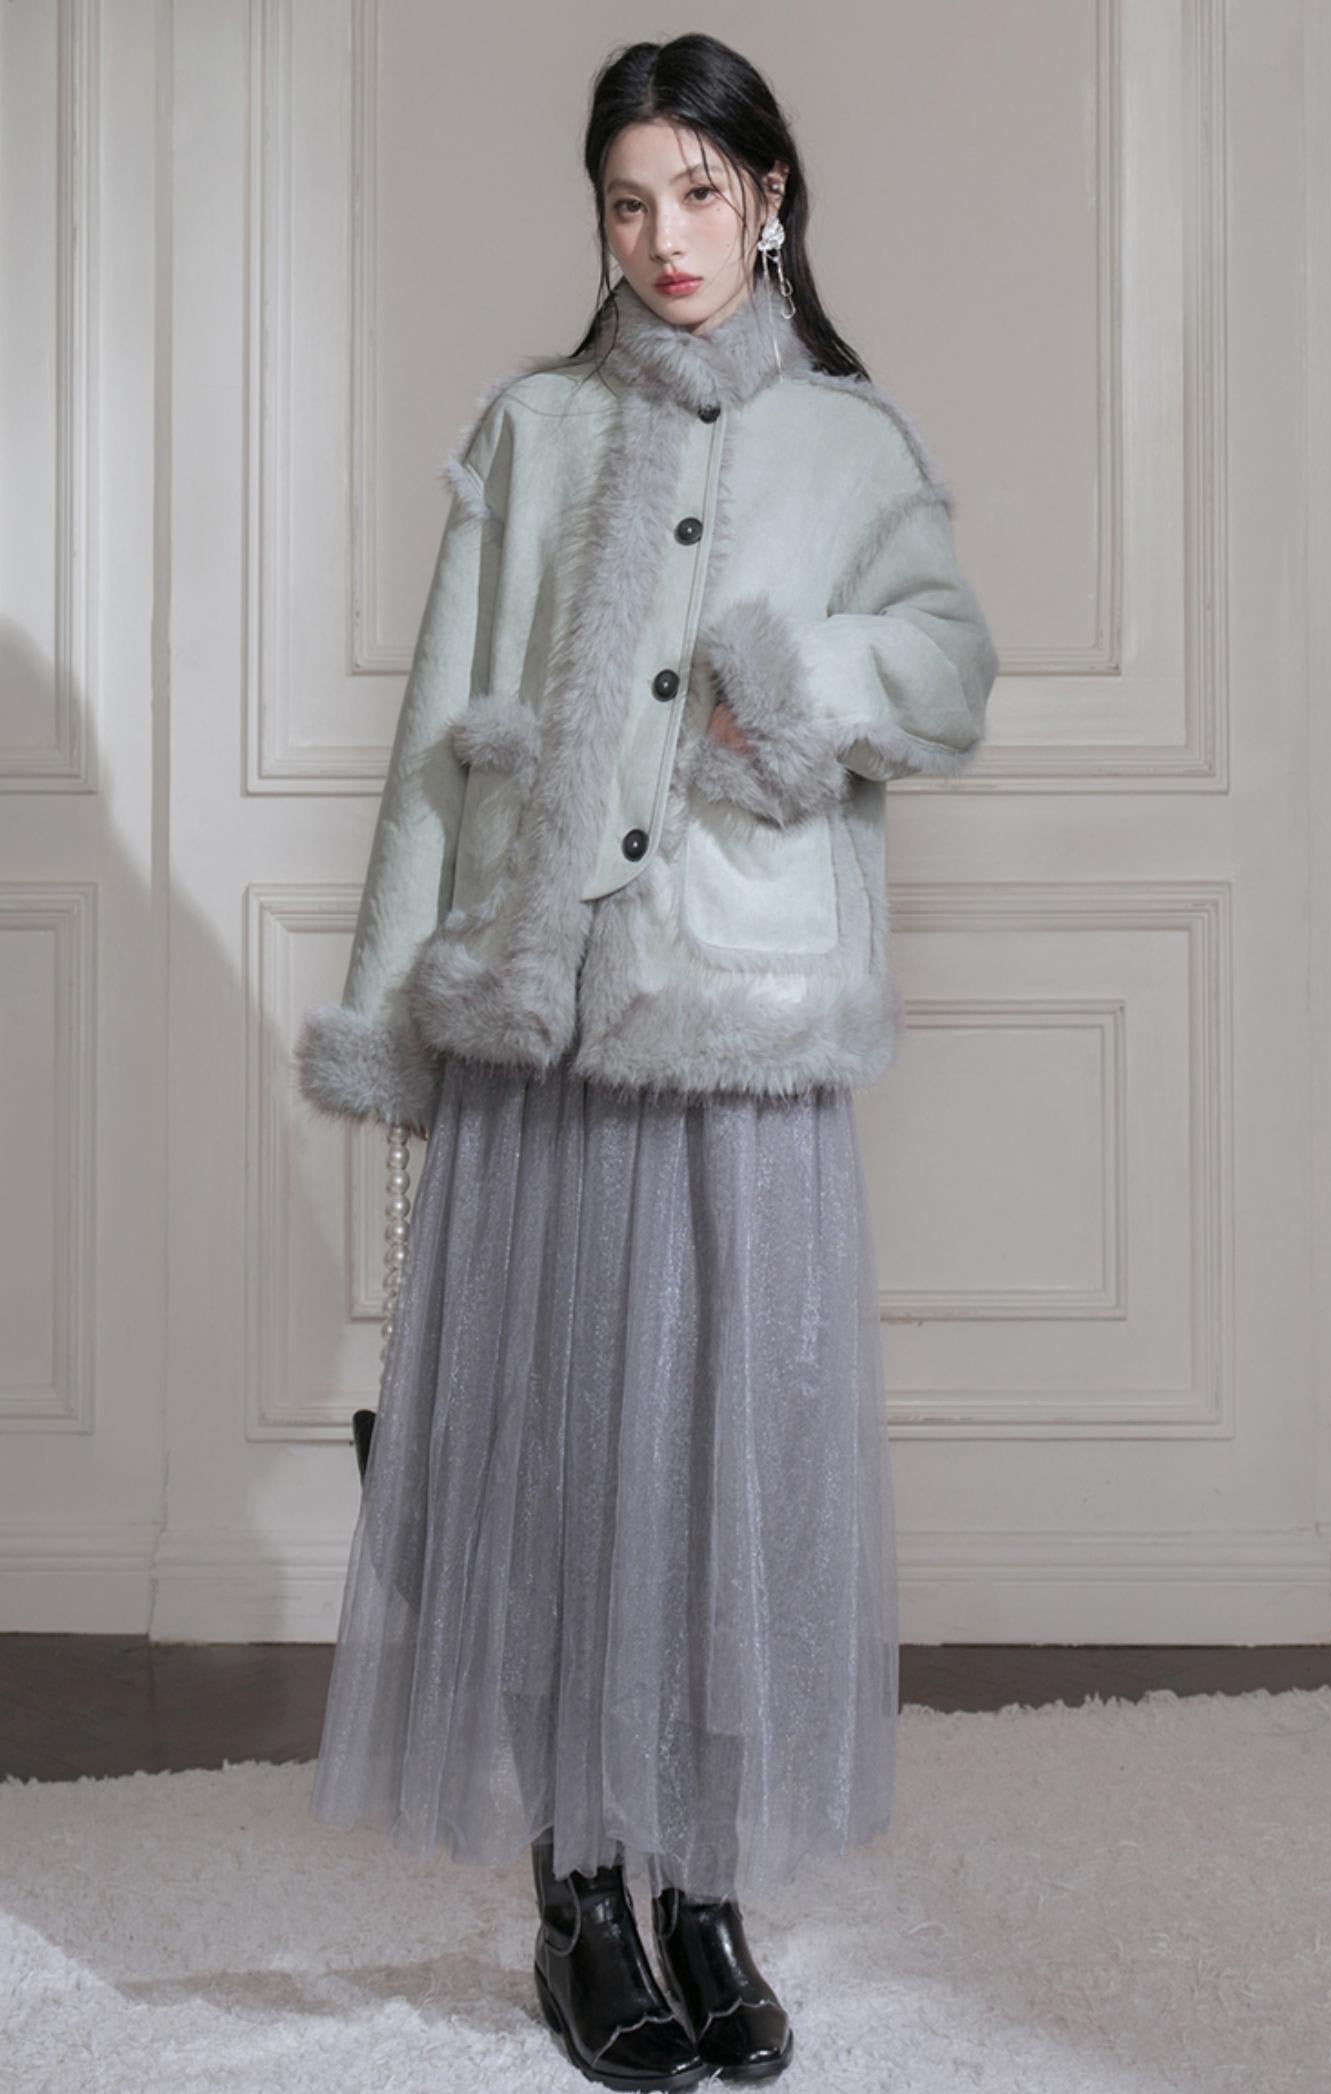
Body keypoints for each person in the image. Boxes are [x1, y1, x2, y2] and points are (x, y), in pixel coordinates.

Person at [293, 30, 999, 2093]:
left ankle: (701, 1885)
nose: (664, 237)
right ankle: (581, 1891)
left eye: (699, 191)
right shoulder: (531, 431)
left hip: (744, 1033)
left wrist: (802, 682)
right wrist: (392, 1019)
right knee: (565, 1468)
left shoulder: (850, 443)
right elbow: (437, 747)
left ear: (770, 199)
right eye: (628, 200)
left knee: (724, 1476)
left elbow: (949, 671)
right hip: (551, 1027)